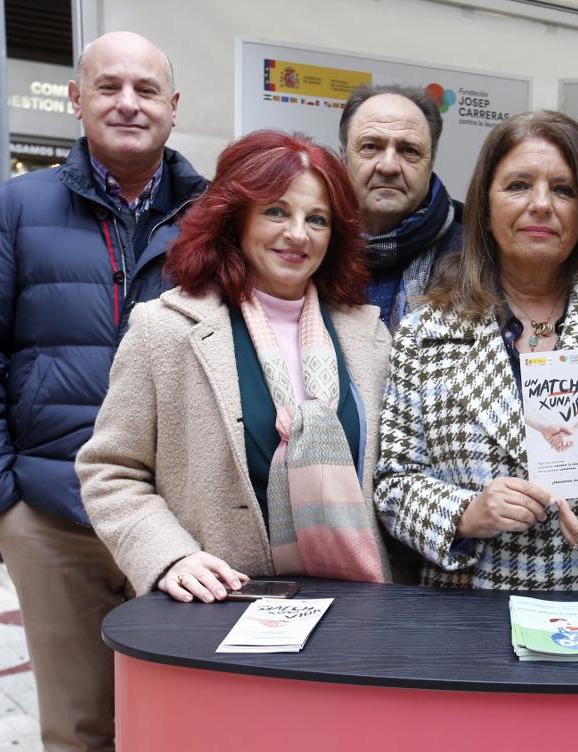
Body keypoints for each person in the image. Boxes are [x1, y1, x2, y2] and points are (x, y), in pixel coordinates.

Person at [0, 31, 205, 752]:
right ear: (77, 100)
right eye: (109, 86)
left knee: (184, 721)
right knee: (80, 732)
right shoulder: (19, 207)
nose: (129, 102)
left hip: (182, 520)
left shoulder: (216, 212)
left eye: (147, 89)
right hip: (54, 514)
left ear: (173, 108)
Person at [375, 111, 578, 591]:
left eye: (564, 190)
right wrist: (466, 514)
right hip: (471, 614)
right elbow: (394, 479)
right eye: (517, 185)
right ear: (485, 204)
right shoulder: (424, 332)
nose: (540, 205)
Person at [77, 130, 404, 598]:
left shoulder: (367, 334)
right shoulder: (165, 328)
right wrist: (170, 555)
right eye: (276, 212)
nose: (297, 234)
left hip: (354, 605)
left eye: (317, 219)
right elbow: (110, 470)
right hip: (219, 605)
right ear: (236, 219)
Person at [339, 85, 464, 330]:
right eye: (371, 147)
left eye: (409, 150)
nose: (388, 166)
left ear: (430, 164)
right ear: (344, 157)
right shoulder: (311, 246)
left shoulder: (475, 256)